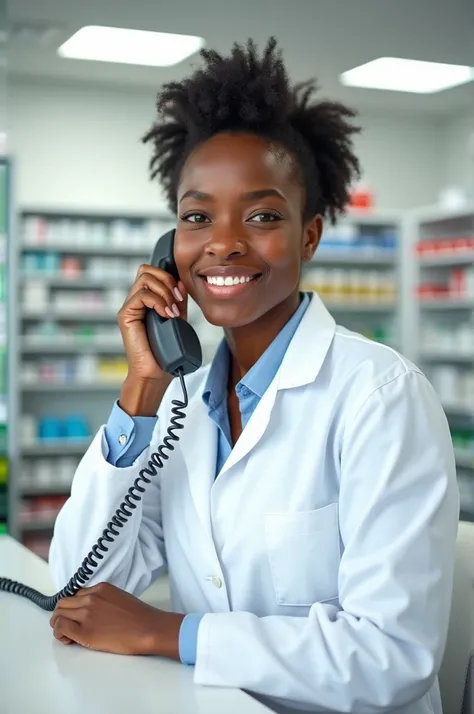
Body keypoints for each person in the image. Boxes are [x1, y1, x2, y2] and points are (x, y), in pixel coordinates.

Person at [48, 38, 459, 714]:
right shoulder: (179, 403)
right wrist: (141, 391)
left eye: (263, 215)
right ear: (170, 247)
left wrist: (173, 633)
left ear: (310, 235)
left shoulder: (381, 399)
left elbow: (393, 655)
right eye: (196, 216)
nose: (225, 241)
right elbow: (76, 587)